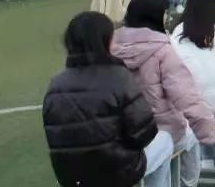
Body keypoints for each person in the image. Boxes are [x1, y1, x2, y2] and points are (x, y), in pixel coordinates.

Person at [43, 11, 168, 187]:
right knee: (166, 140)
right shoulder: (119, 76)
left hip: (71, 177)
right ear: (105, 41)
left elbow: (55, 138)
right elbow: (145, 133)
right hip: (117, 173)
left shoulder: (55, 85)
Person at [111, 0, 215, 187]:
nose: (167, 17)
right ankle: (188, 183)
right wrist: (208, 132)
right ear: (155, 15)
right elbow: (186, 96)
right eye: (165, 13)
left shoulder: (110, 45)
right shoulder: (163, 50)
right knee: (189, 135)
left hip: (119, 133)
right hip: (161, 130)